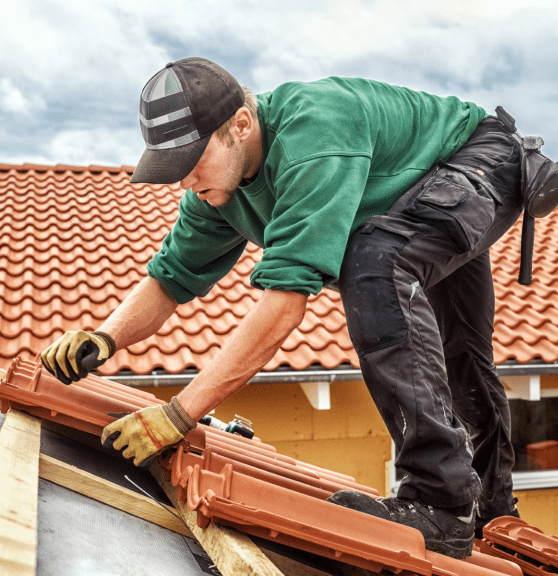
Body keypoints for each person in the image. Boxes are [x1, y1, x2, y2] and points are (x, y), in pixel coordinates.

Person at [42, 56, 530, 559]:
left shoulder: (314, 130)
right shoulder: (218, 191)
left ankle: (442, 500)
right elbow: (169, 280)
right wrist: (105, 336)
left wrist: (178, 414)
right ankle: (489, 511)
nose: (186, 181)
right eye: (175, 169)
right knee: (459, 350)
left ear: (242, 124)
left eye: (192, 160)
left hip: (479, 158)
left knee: (375, 265)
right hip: (415, 196)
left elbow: (283, 307)